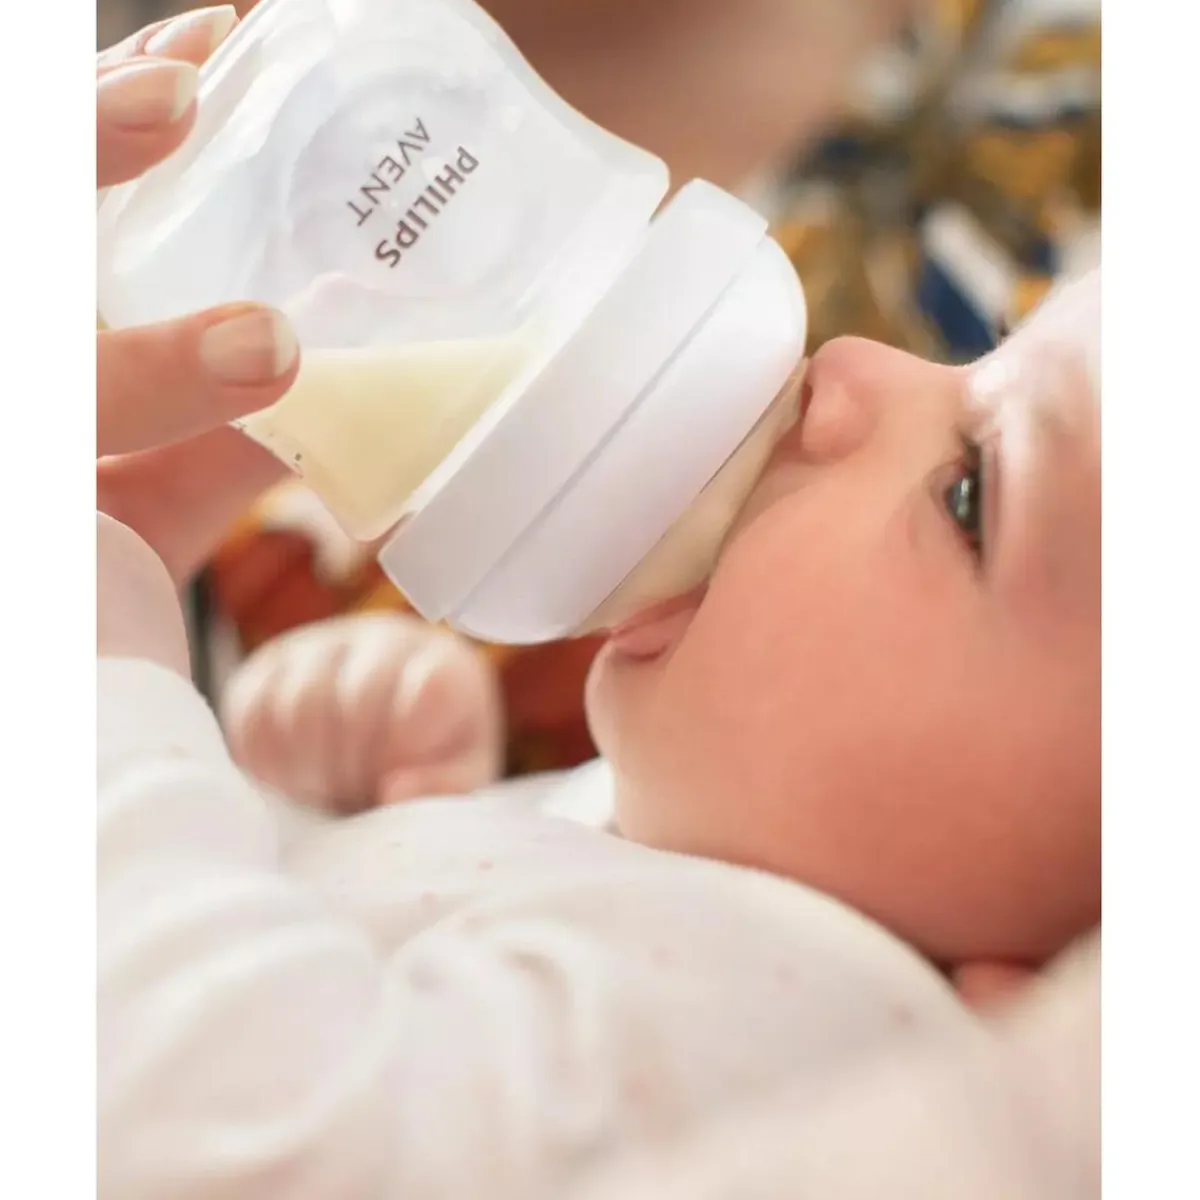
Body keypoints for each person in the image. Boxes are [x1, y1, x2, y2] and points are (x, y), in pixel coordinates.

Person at [97, 7, 1099, 1197]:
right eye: (982, 351)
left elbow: (224, 1137)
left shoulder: (818, 1023)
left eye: (972, 493)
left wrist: (97, 679)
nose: (852, 366)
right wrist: (379, 817)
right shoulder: (724, 914)